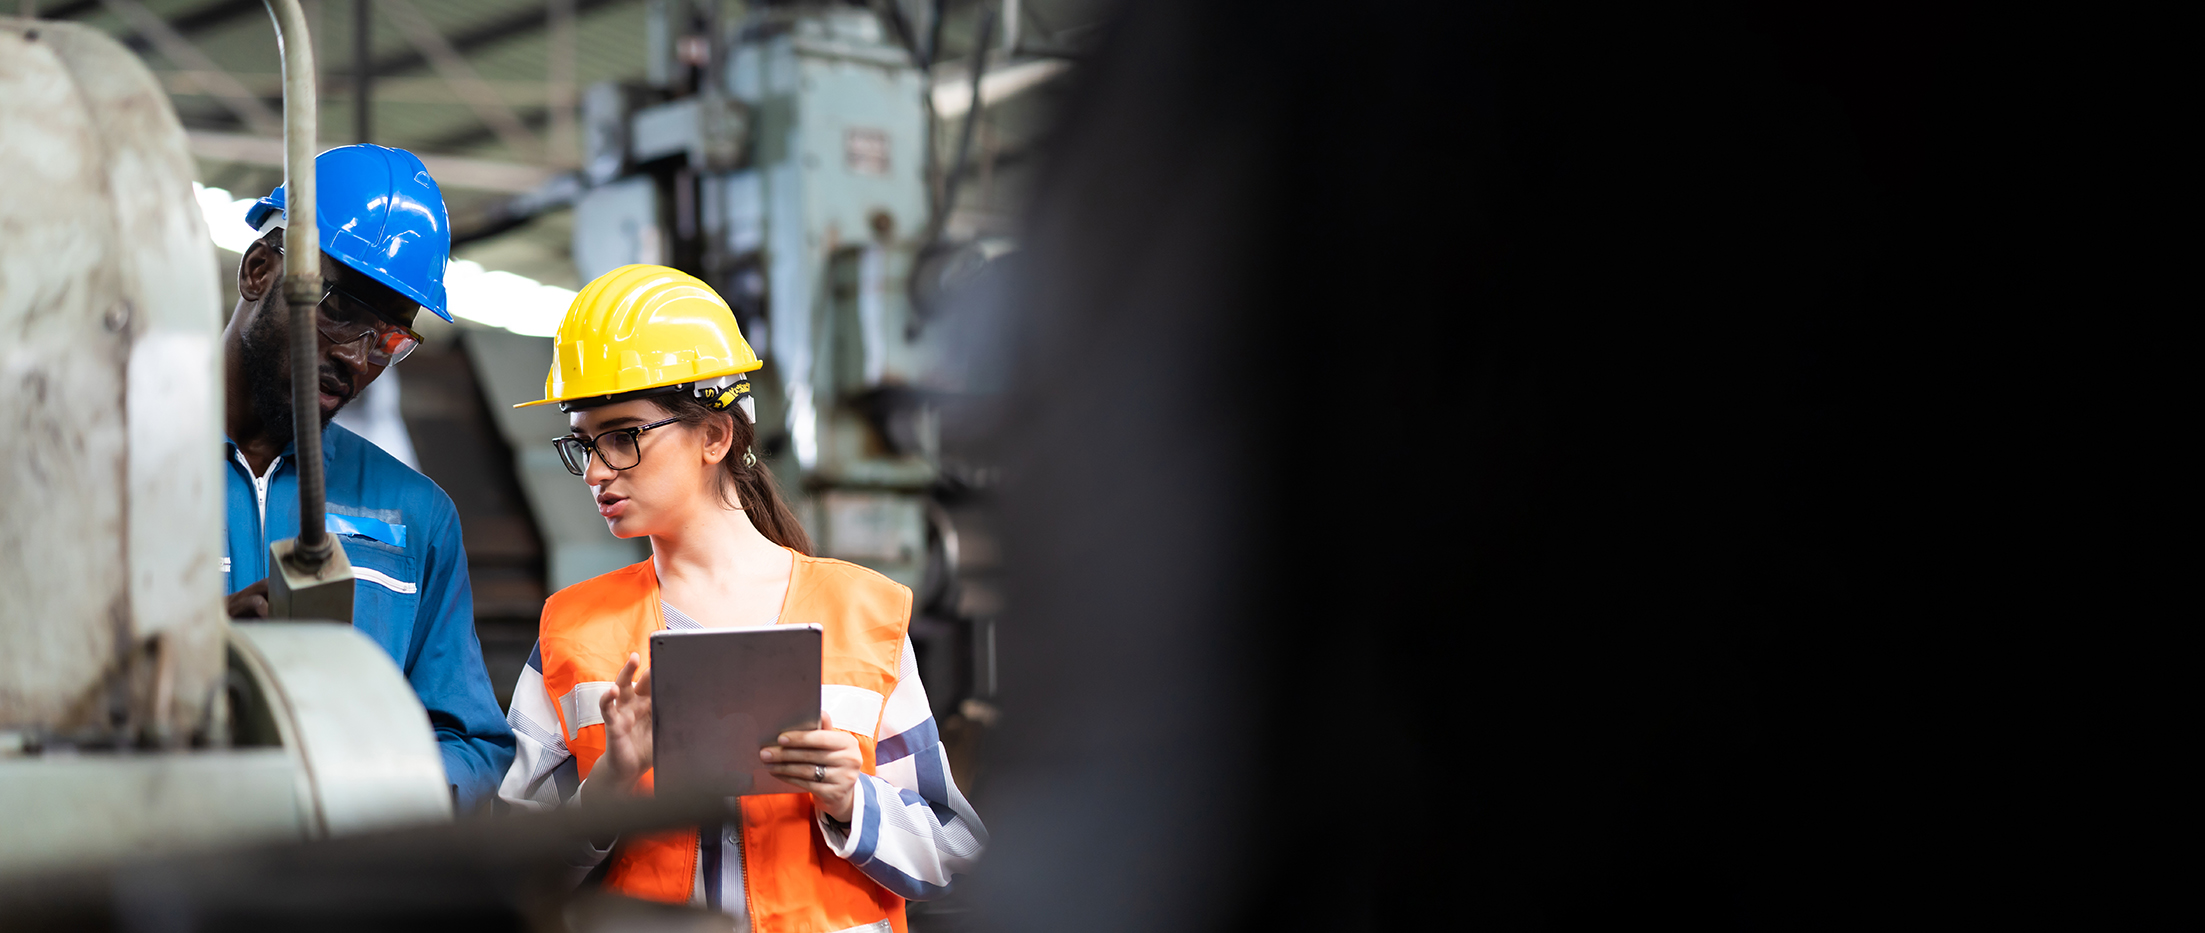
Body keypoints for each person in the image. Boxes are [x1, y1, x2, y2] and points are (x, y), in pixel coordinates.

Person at [498, 265, 985, 927]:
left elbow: (954, 850)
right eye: (582, 443)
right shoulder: (574, 632)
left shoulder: (861, 615)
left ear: (715, 435)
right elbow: (512, 875)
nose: (593, 470)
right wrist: (611, 782)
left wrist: (851, 798)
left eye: (621, 436)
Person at [221, 144, 514, 810]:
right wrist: (193, 661)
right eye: (342, 311)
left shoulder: (414, 515)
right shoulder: (117, 472)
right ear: (260, 270)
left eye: (388, 338)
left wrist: (374, 792)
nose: (357, 358)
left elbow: (472, 746)